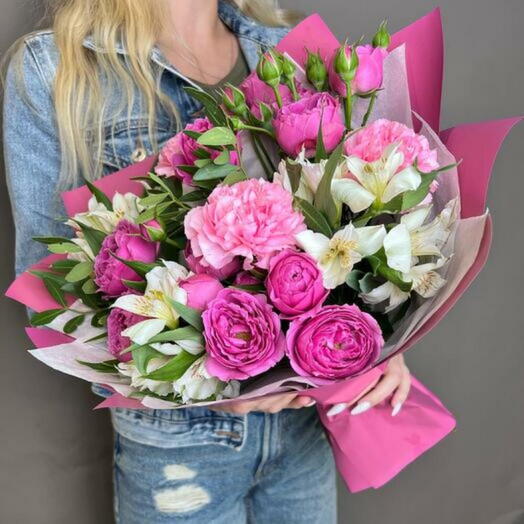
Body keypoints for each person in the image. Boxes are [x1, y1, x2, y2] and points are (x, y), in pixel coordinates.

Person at [3, 1, 411, 522]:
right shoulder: (52, 69)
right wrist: (206, 387)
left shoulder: (281, 48)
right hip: (180, 446)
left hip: (306, 427)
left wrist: (382, 333)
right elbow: (48, 289)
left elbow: (347, 228)